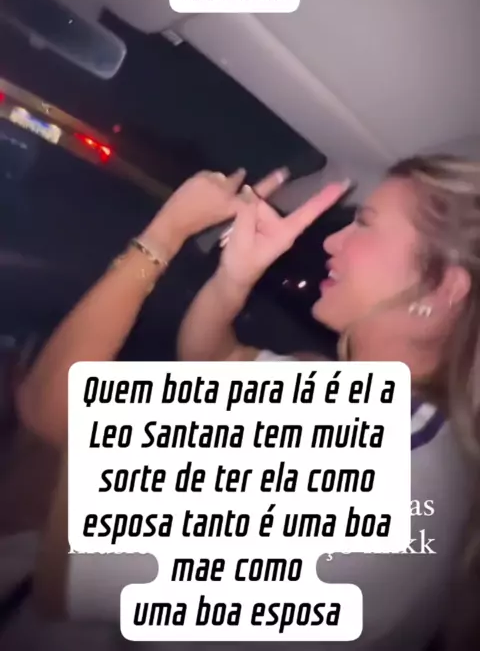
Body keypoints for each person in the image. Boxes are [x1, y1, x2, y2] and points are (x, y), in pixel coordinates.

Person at [18, 156, 479, 648]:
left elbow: (48, 418)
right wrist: (234, 280)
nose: (332, 241)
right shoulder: (400, 418)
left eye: (364, 224)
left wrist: (165, 234)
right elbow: (218, 357)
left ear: (444, 286)